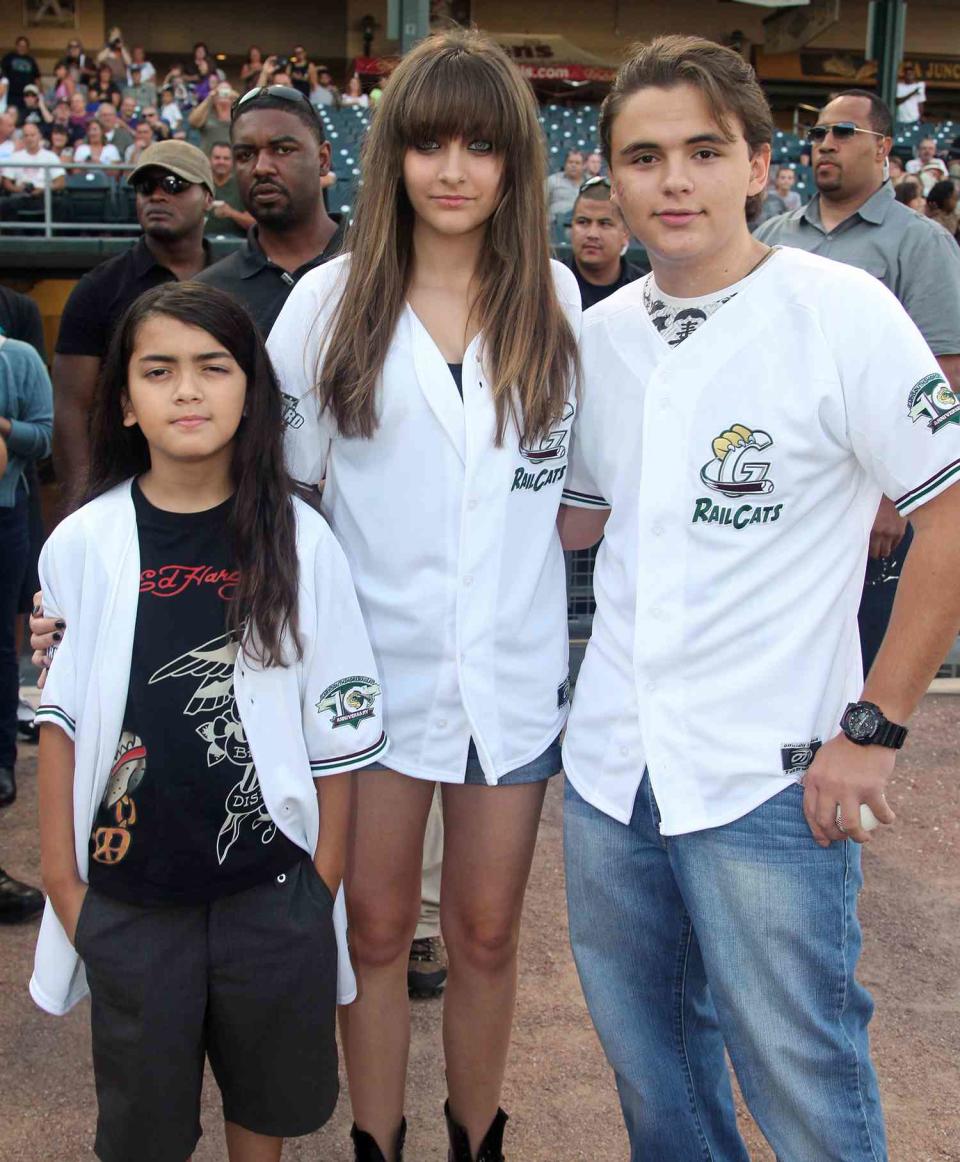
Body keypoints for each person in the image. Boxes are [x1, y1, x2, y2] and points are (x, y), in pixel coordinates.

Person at [558, 36, 960, 1162]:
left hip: (773, 779)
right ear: (613, 177)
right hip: (610, 774)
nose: (673, 181)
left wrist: (874, 730)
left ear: (760, 164)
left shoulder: (841, 310)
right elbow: (574, 525)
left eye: (702, 150)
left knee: (804, 1080)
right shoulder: (597, 339)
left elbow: (952, 517)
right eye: (644, 157)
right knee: (658, 1083)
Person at [267, 30, 580, 1162]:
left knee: (488, 933)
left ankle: (476, 1140)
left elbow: (578, 499)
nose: (453, 169)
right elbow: (282, 506)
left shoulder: (555, 296)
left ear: (516, 164)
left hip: (510, 673)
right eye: (429, 142)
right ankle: (376, 1142)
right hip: (372, 681)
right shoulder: (325, 303)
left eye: (481, 145)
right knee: (379, 926)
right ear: (391, 155)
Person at [32, 281, 385, 1161]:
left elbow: (337, 734)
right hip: (127, 898)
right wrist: (64, 889)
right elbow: (62, 722)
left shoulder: (302, 542)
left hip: (271, 894)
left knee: (264, 1111)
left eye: (212, 367)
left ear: (251, 391)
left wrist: (322, 883)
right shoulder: (83, 543)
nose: (187, 391)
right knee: (145, 1129)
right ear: (123, 401)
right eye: (159, 370)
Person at [755, 89, 960, 674]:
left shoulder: (921, 244)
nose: (825, 144)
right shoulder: (772, 234)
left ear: (884, 149)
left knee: (853, 664)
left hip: (867, 487)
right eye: (818, 134)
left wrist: (896, 499)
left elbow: (942, 374)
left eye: (843, 133)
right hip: (777, 475)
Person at [53, 141, 213, 505]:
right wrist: (81, 503)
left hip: (226, 488)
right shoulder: (98, 288)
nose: (157, 196)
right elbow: (71, 407)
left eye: (173, 185)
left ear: (207, 197)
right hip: (122, 488)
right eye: (145, 187)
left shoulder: (237, 280)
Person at [196, 87, 344, 336]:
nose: (261, 168)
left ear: (323, 159)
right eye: (245, 155)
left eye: (283, 149)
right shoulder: (208, 297)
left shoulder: (384, 270)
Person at [0, 331, 51, 812]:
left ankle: (1, 759)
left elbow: (43, 435)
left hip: (4, 510)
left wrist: (4, 428)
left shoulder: (17, 359)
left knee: (1, 642)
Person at [566, 176, 645, 308]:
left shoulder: (644, 293)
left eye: (604, 224)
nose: (592, 234)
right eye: (583, 222)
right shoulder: (548, 285)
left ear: (626, 233)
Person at [1, 122, 66, 216]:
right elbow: (6, 182)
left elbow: (61, 182)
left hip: (44, 195)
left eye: (32, 135)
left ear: (39, 136)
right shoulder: (15, 157)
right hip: (21, 196)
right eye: (26, 135)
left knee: (63, 204)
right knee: (4, 204)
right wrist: (18, 189)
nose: (29, 138)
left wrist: (43, 189)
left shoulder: (51, 156)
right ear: (23, 138)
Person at [206, 141, 254, 237]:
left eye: (226, 158)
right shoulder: (201, 185)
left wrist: (231, 213)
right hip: (203, 245)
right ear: (209, 159)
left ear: (233, 162)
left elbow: (254, 224)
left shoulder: (243, 186)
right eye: (217, 158)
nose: (221, 162)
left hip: (237, 245)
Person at [188, 83, 236, 156]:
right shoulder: (207, 113)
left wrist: (237, 98)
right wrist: (209, 97)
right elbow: (193, 122)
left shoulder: (237, 114)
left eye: (227, 92)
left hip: (229, 160)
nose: (224, 95)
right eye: (220, 92)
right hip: (207, 158)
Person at [1, 37, 41, 115]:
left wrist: (40, 93)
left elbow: (37, 78)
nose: (22, 48)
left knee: (25, 114)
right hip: (11, 94)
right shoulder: (8, 58)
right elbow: (2, 75)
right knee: (11, 113)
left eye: (24, 46)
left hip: (27, 95)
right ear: (16, 46)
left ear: (27, 48)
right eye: (20, 45)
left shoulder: (31, 60)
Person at [545, 148, 583, 220]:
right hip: (555, 225)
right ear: (565, 164)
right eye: (570, 162)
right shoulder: (552, 180)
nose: (573, 165)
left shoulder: (588, 185)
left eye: (577, 163)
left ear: (583, 166)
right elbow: (539, 205)